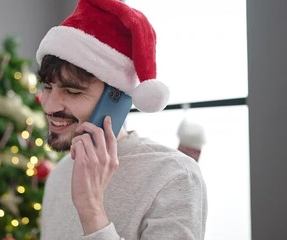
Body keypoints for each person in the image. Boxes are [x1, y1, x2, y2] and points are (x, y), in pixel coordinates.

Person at [35, 0, 207, 239]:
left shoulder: (175, 176)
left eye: (73, 91)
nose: (49, 105)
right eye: (47, 87)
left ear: (116, 99)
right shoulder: (58, 175)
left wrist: (91, 209)